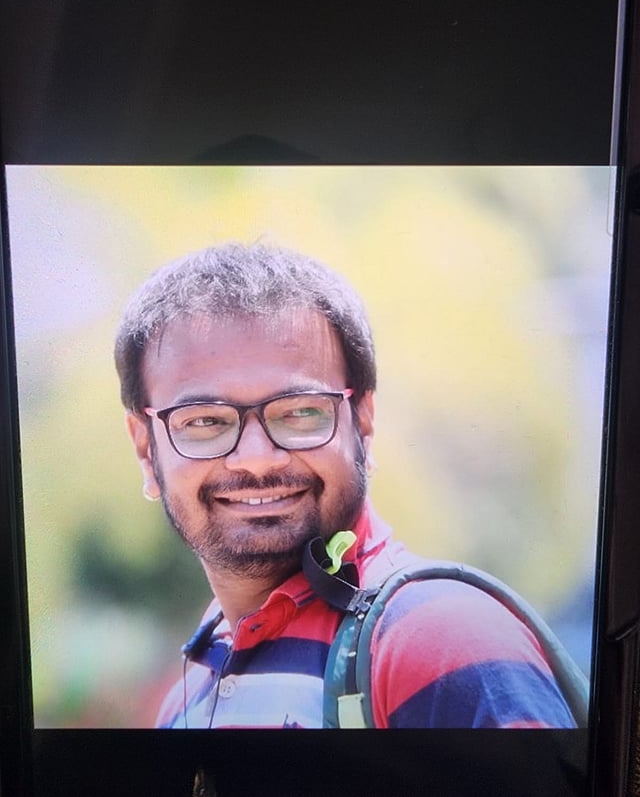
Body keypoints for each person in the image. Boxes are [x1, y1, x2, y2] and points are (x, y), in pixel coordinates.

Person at [114, 242, 577, 729]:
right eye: (204, 420)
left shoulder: (439, 640)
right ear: (146, 449)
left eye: (300, 411)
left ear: (364, 423)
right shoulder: (185, 699)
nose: (255, 458)